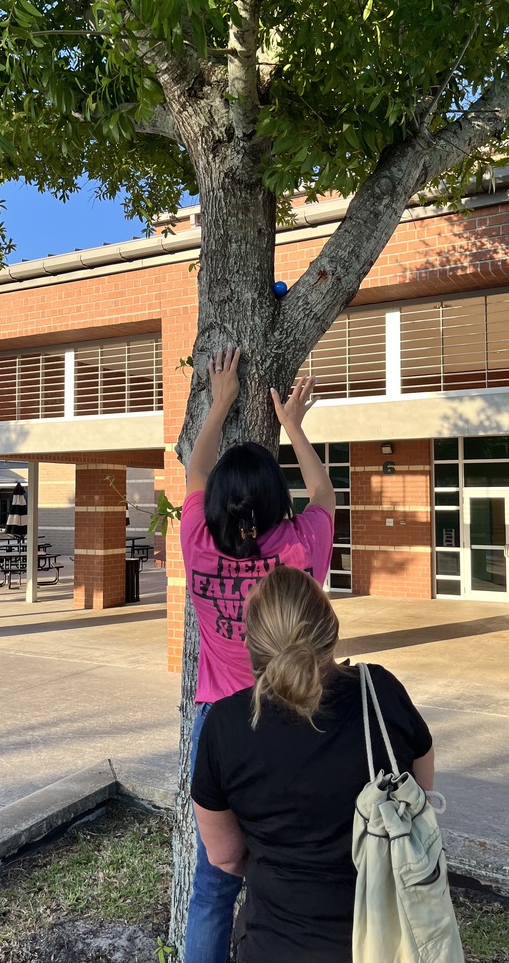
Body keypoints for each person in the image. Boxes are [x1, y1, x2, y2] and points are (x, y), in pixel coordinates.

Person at [190, 565, 434, 963]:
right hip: (391, 941)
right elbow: (421, 791)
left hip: (274, 944)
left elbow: (225, 856)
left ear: (251, 645)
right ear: (331, 630)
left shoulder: (226, 724)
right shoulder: (380, 692)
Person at [181, 343, 336, 963]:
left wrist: (219, 402)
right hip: (292, 723)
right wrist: (292, 425)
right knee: (290, 869)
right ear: (276, 501)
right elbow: (323, 492)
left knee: (214, 884)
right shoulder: (299, 549)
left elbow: (196, 471)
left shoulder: (196, 539)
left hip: (219, 730)